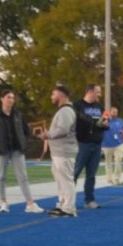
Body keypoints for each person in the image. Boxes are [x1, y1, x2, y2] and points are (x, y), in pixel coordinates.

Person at [0, 89, 41, 214]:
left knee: (23, 177)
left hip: (17, 149)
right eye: (8, 97)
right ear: (2, 99)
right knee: (0, 178)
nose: (11, 100)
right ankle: (3, 203)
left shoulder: (18, 114)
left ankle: (30, 204)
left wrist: (24, 144)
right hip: (1, 151)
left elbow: (26, 131)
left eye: (13, 98)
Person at [40, 84, 79, 217]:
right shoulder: (63, 110)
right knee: (61, 180)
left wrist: (48, 135)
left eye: (53, 94)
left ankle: (69, 209)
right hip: (59, 152)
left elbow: (63, 130)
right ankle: (63, 205)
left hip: (64, 152)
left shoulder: (66, 111)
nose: (52, 97)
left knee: (66, 180)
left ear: (60, 95)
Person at [72, 84, 108, 209]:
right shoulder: (77, 105)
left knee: (91, 175)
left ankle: (89, 200)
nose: (100, 94)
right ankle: (67, 199)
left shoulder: (100, 107)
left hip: (97, 144)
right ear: (90, 91)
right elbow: (79, 121)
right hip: (82, 144)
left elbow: (105, 122)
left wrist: (105, 125)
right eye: (98, 92)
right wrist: (95, 124)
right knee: (75, 173)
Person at [101, 107, 123, 185]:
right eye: (113, 112)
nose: (115, 113)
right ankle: (109, 179)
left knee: (119, 160)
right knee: (108, 162)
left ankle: (117, 179)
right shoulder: (105, 120)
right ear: (110, 112)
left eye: (116, 112)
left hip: (119, 144)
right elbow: (100, 128)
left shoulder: (120, 121)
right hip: (107, 144)